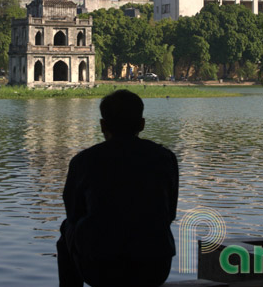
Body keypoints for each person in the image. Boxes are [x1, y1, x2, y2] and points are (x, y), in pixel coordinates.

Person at [57, 90, 179, 287]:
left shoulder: (84, 161)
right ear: (142, 124)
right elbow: (169, 214)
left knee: (67, 230)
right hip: (155, 267)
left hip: (101, 269)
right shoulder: (165, 158)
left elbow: (73, 213)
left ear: (103, 125)